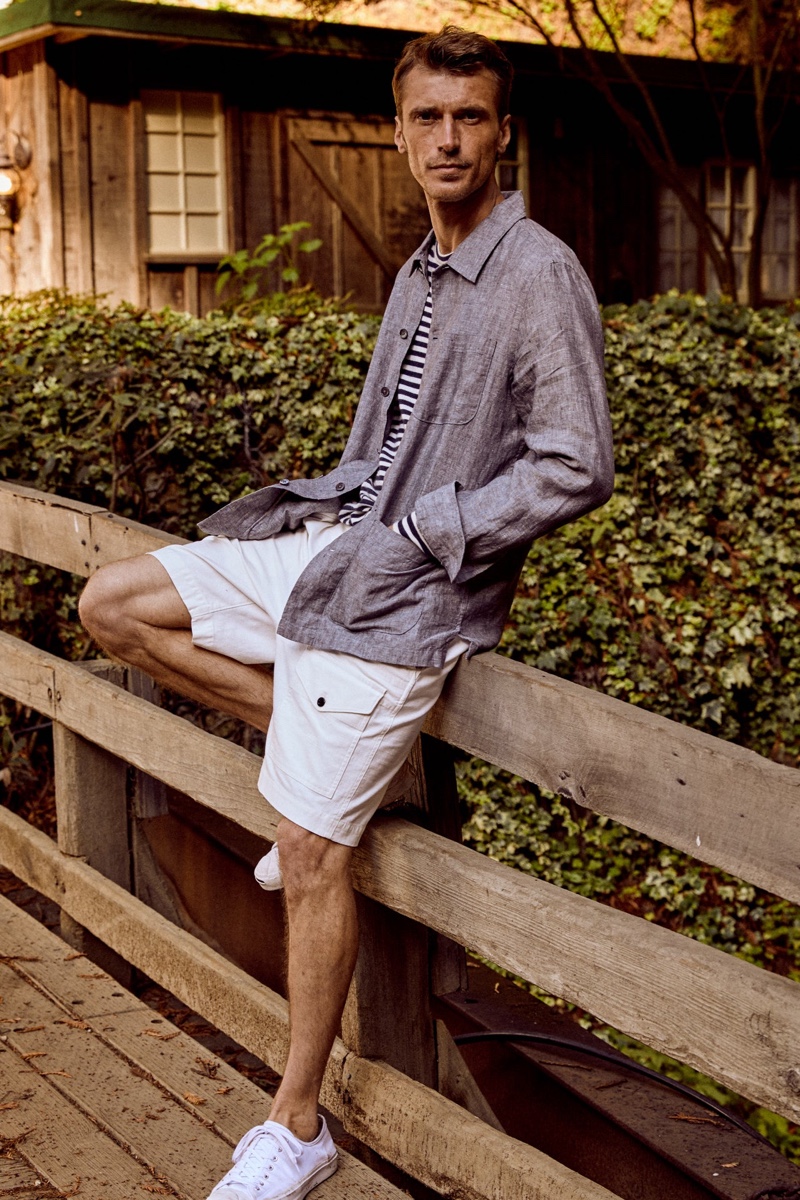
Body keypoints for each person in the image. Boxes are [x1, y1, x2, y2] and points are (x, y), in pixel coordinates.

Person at [78, 25, 614, 1200]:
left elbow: (577, 464)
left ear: (500, 129)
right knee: (110, 604)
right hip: (334, 552)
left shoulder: (538, 275)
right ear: (398, 126)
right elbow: (387, 446)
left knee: (312, 852)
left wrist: (435, 530)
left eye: (469, 117)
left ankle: (296, 1121)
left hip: (410, 598)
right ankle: (308, 752)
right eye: (426, 116)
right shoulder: (422, 264)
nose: (446, 139)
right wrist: (340, 514)